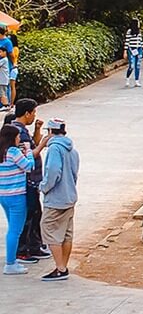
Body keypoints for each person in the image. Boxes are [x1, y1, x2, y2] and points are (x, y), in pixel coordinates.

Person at [39, 118, 78, 281]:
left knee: (49, 228)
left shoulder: (54, 149)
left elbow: (53, 171)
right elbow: (75, 173)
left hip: (56, 198)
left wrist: (44, 186)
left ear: (50, 132)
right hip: (69, 195)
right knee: (66, 233)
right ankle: (63, 266)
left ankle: (60, 268)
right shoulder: (72, 150)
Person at [11, 100, 48, 264]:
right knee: (28, 215)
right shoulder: (17, 132)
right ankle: (22, 251)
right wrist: (45, 142)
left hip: (32, 180)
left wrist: (38, 130)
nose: (34, 116)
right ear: (27, 113)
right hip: (27, 181)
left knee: (35, 213)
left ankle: (34, 246)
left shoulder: (22, 131)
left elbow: (32, 144)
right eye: (33, 113)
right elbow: (29, 154)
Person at [0, 123, 35, 275]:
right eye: (18, 136)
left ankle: (12, 260)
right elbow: (29, 166)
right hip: (17, 195)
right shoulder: (14, 152)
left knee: (12, 228)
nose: (19, 138)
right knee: (15, 230)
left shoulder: (2, 152)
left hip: (4, 195)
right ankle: (10, 263)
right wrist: (28, 152)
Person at [123, 18, 143, 88]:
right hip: (131, 49)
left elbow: (141, 40)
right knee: (131, 65)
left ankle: (137, 80)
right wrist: (125, 51)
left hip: (139, 49)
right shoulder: (129, 31)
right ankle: (127, 79)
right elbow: (127, 41)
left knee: (137, 65)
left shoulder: (139, 31)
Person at [0, 25, 11, 109]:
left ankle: (6, 105)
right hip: (2, 76)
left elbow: (12, 54)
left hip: (3, 77)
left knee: (3, 92)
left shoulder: (7, 42)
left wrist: (14, 64)